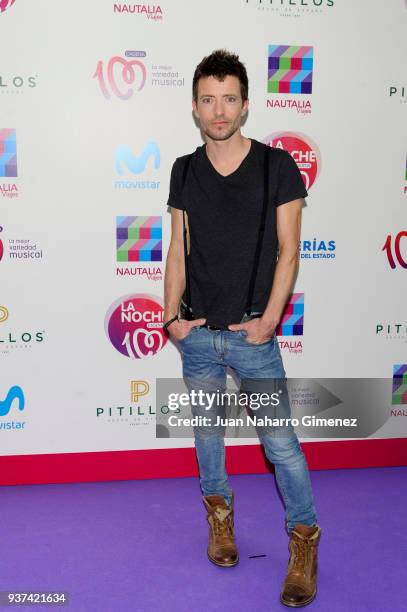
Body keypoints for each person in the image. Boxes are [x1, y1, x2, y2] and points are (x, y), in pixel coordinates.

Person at [163, 49, 321, 608]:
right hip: (198, 335)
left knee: (281, 445)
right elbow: (176, 252)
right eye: (208, 99)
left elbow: (290, 251)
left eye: (229, 98)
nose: (219, 109)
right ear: (195, 108)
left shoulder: (277, 165)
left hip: (255, 337)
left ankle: (303, 543)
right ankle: (220, 521)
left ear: (246, 105)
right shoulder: (184, 169)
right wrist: (169, 319)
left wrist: (270, 321)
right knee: (209, 436)